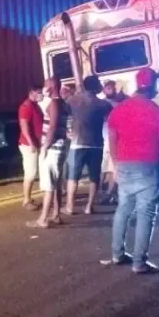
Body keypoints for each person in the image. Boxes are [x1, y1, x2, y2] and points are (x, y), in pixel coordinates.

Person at [102, 68, 159, 274]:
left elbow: (112, 141)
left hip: (124, 166)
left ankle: (117, 254)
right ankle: (139, 262)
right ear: (153, 85)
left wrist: (116, 166)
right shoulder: (157, 112)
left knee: (123, 209)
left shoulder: (117, 110)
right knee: (146, 213)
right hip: (148, 168)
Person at [64, 75, 112, 215]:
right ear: (96, 87)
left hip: (77, 143)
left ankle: (70, 206)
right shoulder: (104, 104)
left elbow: (65, 114)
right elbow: (110, 120)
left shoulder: (73, 101)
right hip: (96, 143)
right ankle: (89, 206)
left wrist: (68, 130)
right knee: (94, 176)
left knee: (73, 176)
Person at [27, 78, 69, 228]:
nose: (44, 87)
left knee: (48, 184)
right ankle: (56, 214)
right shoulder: (63, 102)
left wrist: (44, 147)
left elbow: (52, 127)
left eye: (45, 84)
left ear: (52, 86)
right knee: (56, 183)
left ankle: (43, 219)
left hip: (53, 149)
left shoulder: (54, 103)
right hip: (60, 146)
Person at [17, 86, 44, 210]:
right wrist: (31, 142)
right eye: (38, 93)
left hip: (35, 143)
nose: (41, 95)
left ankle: (28, 198)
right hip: (28, 145)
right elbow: (24, 126)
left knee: (33, 172)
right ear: (31, 93)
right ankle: (26, 200)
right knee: (31, 173)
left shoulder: (35, 106)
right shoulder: (26, 107)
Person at [100, 81, 126, 203]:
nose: (112, 90)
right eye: (109, 88)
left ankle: (110, 193)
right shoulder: (104, 103)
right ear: (104, 90)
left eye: (113, 88)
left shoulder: (120, 102)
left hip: (113, 139)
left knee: (112, 167)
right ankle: (108, 192)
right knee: (106, 168)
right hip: (106, 138)